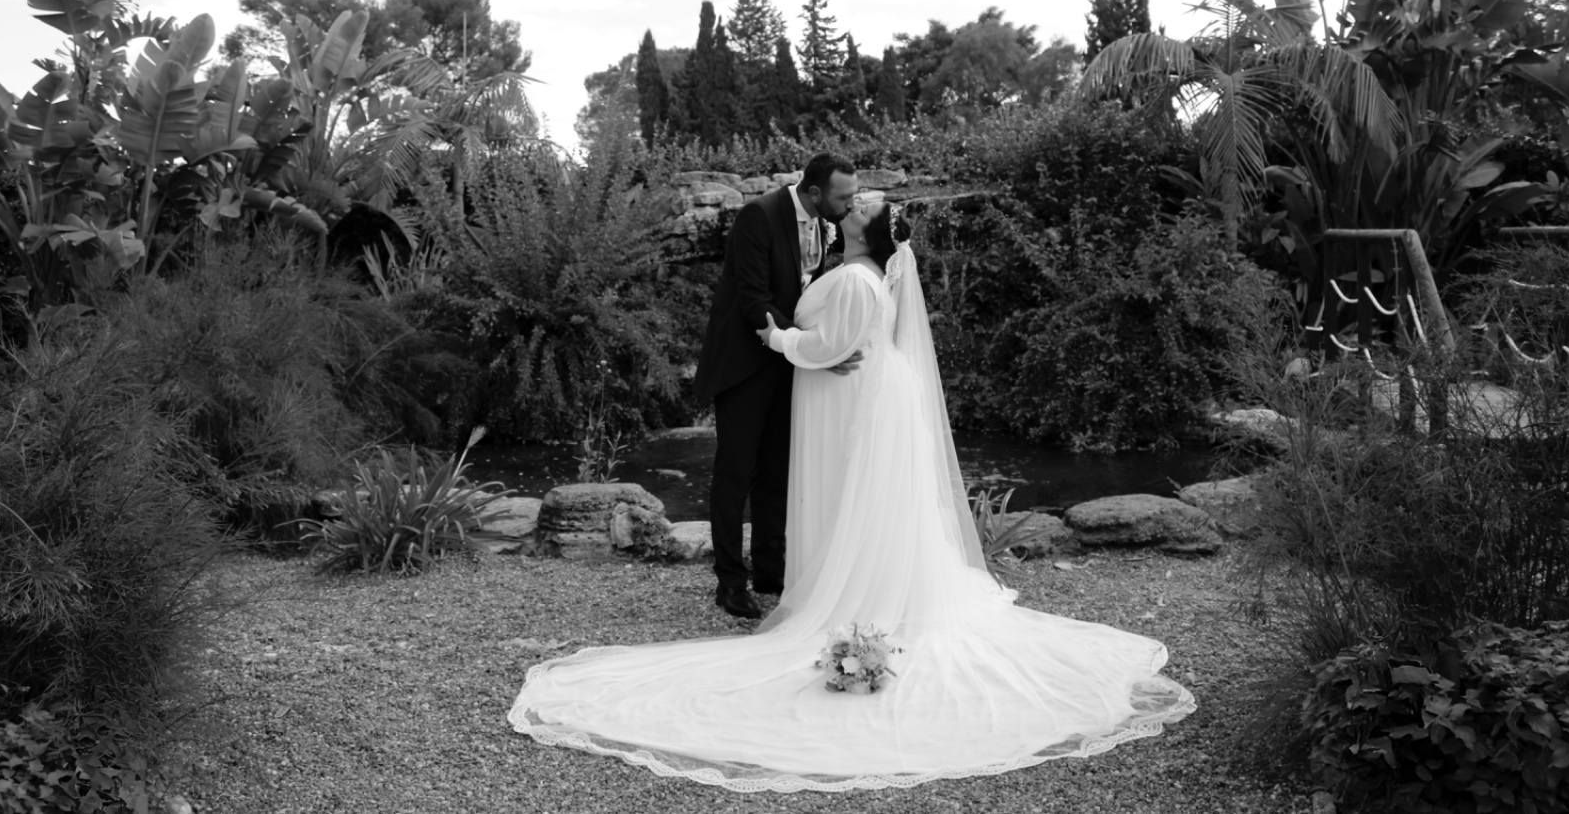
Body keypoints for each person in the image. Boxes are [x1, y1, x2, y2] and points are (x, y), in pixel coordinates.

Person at [508, 199, 1196, 791]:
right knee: (856, 499)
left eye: (863, 206)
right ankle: (838, 580)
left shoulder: (861, 280)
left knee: (862, 498)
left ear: (872, 230)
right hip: (856, 396)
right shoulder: (854, 267)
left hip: (857, 397)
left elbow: (830, 343)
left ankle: (861, 596)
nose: (855, 204)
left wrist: (780, 335)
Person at [693, 153, 859, 620]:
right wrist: (811, 347)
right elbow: (753, 300)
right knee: (735, 475)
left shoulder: (824, 225)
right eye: (843, 197)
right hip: (745, 364)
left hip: (786, 363)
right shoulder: (759, 216)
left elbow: (806, 290)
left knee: (776, 473)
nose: (850, 204)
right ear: (813, 194)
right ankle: (729, 581)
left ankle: (771, 570)